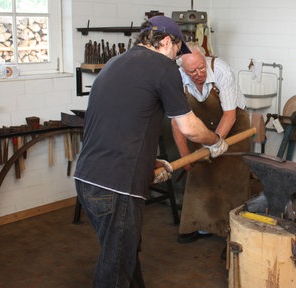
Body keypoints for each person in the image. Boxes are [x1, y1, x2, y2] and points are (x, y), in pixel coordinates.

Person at [73, 16, 228, 288]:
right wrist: (215, 141)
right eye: (177, 52)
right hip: (117, 186)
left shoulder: (115, 63)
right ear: (166, 41)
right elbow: (189, 128)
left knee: (123, 255)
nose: (176, 60)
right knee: (116, 268)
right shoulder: (162, 67)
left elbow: (119, 124)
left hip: (87, 179)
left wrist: (148, 160)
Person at [172, 43, 252, 250]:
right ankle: (199, 225)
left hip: (232, 127)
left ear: (204, 59)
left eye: (201, 67)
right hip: (202, 129)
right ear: (183, 69)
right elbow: (176, 121)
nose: (199, 73)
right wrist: (184, 156)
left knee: (232, 178)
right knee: (199, 175)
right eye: (193, 71)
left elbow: (229, 114)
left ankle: (234, 234)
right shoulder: (176, 78)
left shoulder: (220, 70)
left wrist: (216, 144)